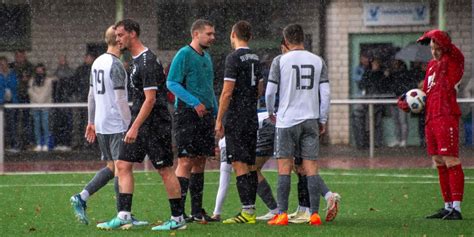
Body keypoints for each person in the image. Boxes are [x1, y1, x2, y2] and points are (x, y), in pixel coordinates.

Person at [97, 19, 185, 231]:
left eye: (120, 35)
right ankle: (124, 214)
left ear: (132, 34)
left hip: (155, 126)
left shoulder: (147, 62)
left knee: (164, 170)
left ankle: (178, 219)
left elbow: (151, 99)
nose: (117, 39)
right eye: (116, 36)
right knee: (122, 165)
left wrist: (134, 126)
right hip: (140, 124)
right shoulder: (136, 61)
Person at [70, 26, 147, 227]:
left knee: (113, 168)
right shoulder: (116, 65)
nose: (123, 40)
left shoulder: (97, 62)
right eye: (120, 36)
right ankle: (123, 215)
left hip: (103, 124)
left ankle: (84, 197)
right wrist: (130, 124)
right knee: (123, 169)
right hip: (116, 124)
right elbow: (121, 100)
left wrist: (91, 121)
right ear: (117, 40)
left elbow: (91, 95)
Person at [265, 24, 331, 226]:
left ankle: (282, 214)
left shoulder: (280, 61)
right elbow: (326, 94)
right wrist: (323, 119)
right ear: (303, 39)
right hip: (310, 119)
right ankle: (314, 214)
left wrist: (270, 112)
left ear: (285, 41)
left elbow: (269, 92)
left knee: (284, 168)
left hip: (286, 121)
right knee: (311, 167)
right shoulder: (318, 60)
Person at [399, 29, 465, 220]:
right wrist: (407, 102)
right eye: (431, 47)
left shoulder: (453, 60)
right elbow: (426, 94)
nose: (434, 51)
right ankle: (448, 206)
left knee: (451, 160)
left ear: (444, 45)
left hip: (446, 116)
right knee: (438, 162)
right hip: (431, 118)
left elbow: (449, 48)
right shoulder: (431, 66)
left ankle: (457, 209)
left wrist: (434, 35)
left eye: (437, 46)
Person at [167, 19, 217, 222]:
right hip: (187, 116)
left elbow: (208, 87)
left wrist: (214, 112)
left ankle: (197, 211)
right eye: (209, 34)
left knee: (200, 161)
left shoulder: (207, 57)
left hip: (205, 117)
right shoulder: (184, 54)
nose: (212, 37)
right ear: (196, 34)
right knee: (185, 161)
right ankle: (179, 213)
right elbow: (171, 83)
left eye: (213, 34)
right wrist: (194, 102)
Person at [214, 20, 262, 224]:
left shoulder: (233, 58)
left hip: (237, 117)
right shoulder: (256, 58)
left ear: (233, 34)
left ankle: (247, 212)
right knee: (250, 163)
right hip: (251, 115)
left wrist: (219, 120)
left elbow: (226, 92)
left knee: (238, 163)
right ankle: (250, 210)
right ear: (249, 37)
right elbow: (260, 88)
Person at [27, 63, 56, 152]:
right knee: (36, 125)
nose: (39, 72)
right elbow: (30, 91)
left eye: (41, 70)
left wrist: (39, 99)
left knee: (45, 125)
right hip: (35, 106)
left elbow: (46, 94)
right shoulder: (32, 81)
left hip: (45, 106)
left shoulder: (48, 81)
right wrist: (37, 99)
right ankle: (38, 143)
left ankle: (46, 144)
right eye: (37, 70)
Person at [71, 52, 96, 150]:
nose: (88, 59)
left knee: (90, 121)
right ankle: (80, 142)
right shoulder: (80, 70)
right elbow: (76, 83)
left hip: (91, 100)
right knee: (79, 123)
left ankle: (90, 142)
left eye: (90, 58)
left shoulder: (94, 69)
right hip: (81, 99)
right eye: (87, 57)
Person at [52, 55, 74, 151]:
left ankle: (66, 143)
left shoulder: (69, 73)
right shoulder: (56, 72)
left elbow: (70, 87)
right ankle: (59, 143)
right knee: (58, 123)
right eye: (60, 59)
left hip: (66, 102)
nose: (61, 61)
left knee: (67, 124)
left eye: (63, 59)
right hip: (58, 102)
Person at [0, 56, 20, 152]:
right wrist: (3, 92)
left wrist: (7, 88)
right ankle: (3, 145)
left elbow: (14, 85)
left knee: (12, 124)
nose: (3, 66)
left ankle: (14, 145)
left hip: (12, 102)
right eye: (1, 64)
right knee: (3, 125)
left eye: (4, 64)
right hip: (1, 103)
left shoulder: (12, 74)